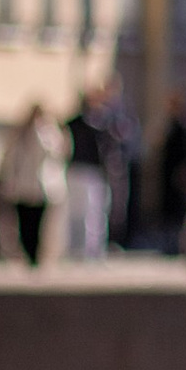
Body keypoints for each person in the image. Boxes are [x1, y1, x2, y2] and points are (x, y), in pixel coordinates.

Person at [0, 104, 63, 268]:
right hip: (22, 187)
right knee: (24, 222)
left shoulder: (49, 133)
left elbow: (56, 153)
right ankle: (27, 252)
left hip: (41, 187)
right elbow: (10, 159)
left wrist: (43, 131)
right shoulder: (18, 135)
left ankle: (36, 254)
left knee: (38, 222)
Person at [61, 87, 115, 261]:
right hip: (78, 169)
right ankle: (74, 249)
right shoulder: (77, 122)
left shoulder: (103, 122)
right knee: (76, 212)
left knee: (94, 213)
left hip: (95, 172)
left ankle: (92, 250)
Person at [153, 93, 186, 243]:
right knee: (168, 208)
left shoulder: (184, 127)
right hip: (167, 174)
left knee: (178, 208)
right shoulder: (170, 125)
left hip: (178, 175)